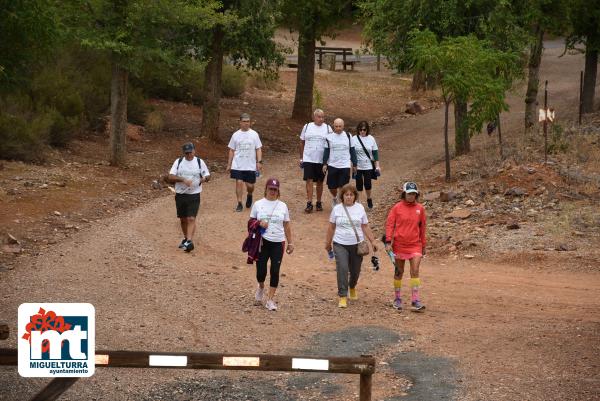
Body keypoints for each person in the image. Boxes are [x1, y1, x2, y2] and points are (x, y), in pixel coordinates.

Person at [325, 184, 378, 308]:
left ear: (355, 196)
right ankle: (342, 295)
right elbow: (331, 227)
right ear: (342, 196)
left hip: (357, 245)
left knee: (355, 271)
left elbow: (365, 225)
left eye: (351, 195)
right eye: (346, 195)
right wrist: (327, 243)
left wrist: (373, 241)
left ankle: (352, 286)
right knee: (342, 268)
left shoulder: (360, 208)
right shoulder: (337, 209)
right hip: (340, 243)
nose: (349, 197)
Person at [250, 178, 294, 311]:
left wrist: (290, 242)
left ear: (278, 191)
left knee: (275, 270)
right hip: (262, 242)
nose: (273, 192)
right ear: (266, 189)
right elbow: (250, 222)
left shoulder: (283, 206)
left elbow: (286, 224)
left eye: (275, 189)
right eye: (271, 189)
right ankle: (261, 286)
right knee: (261, 271)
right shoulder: (258, 204)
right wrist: (259, 223)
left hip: (278, 242)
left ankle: (270, 299)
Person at [384, 182, 427, 312]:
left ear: (416, 194)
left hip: (415, 245)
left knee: (415, 270)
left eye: (413, 194)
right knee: (399, 272)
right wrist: (388, 241)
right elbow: (390, 225)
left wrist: (423, 244)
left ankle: (415, 300)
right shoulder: (397, 208)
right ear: (404, 193)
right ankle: (397, 299)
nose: (411, 196)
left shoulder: (420, 209)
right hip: (399, 245)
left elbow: (423, 227)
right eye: (409, 193)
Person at [168, 142, 210, 252]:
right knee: (183, 219)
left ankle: (189, 241)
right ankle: (186, 238)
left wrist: (203, 179)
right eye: (186, 153)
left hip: (195, 193)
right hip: (181, 193)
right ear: (184, 153)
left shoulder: (199, 162)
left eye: (190, 152)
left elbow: (208, 175)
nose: (189, 155)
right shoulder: (179, 162)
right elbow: (170, 176)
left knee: (191, 218)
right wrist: (183, 180)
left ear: (194, 151)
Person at [227, 113, 263, 212]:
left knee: (250, 186)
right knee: (239, 182)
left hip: (250, 165)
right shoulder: (235, 135)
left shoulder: (254, 134)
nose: (246, 123)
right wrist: (229, 164)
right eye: (244, 121)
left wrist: (259, 162)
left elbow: (258, 149)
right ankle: (239, 203)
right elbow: (231, 150)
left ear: (250, 122)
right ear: (240, 122)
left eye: (248, 121)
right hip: (237, 164)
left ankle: (250, 194)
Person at [299, 108, 331, 213]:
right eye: (319, 117)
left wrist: (328, 160)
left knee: (320, 181)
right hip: (308, 157)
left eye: (323, 117)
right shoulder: (307, 126)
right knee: (309, 180)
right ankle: (309, 203)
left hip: (321, 160)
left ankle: (318, 202)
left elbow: (331, 144)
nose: (321, 119)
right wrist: (301, 158)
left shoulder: (327, 128)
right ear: (314, 117)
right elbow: (302, 142)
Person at [322, 118, 357, 206]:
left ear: (343, 126)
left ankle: (341, 203)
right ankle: (335, 197)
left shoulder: (348, 136)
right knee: (331, 186)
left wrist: (355, 164)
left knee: (343, 186)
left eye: (340, 126)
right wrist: (324, 163)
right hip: (332, 165)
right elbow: (326, 151)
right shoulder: (329, 137)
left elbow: (352, 151)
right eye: (336, 126)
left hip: (345, 165)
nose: (338, 128)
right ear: (333, 126)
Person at [351, 121, 380, 209]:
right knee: (358, 184)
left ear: (367, 130)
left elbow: (375, 153)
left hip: (368, 166)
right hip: (358, 166)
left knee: (367, 184)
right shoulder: (354, 138)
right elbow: (351, 152)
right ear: (358, 130)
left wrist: (377, 165)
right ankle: (359, 203)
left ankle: (369, 198)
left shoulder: (371, 138)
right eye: (360, 129)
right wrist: (352, 164)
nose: (362, 131)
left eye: (364, 129)